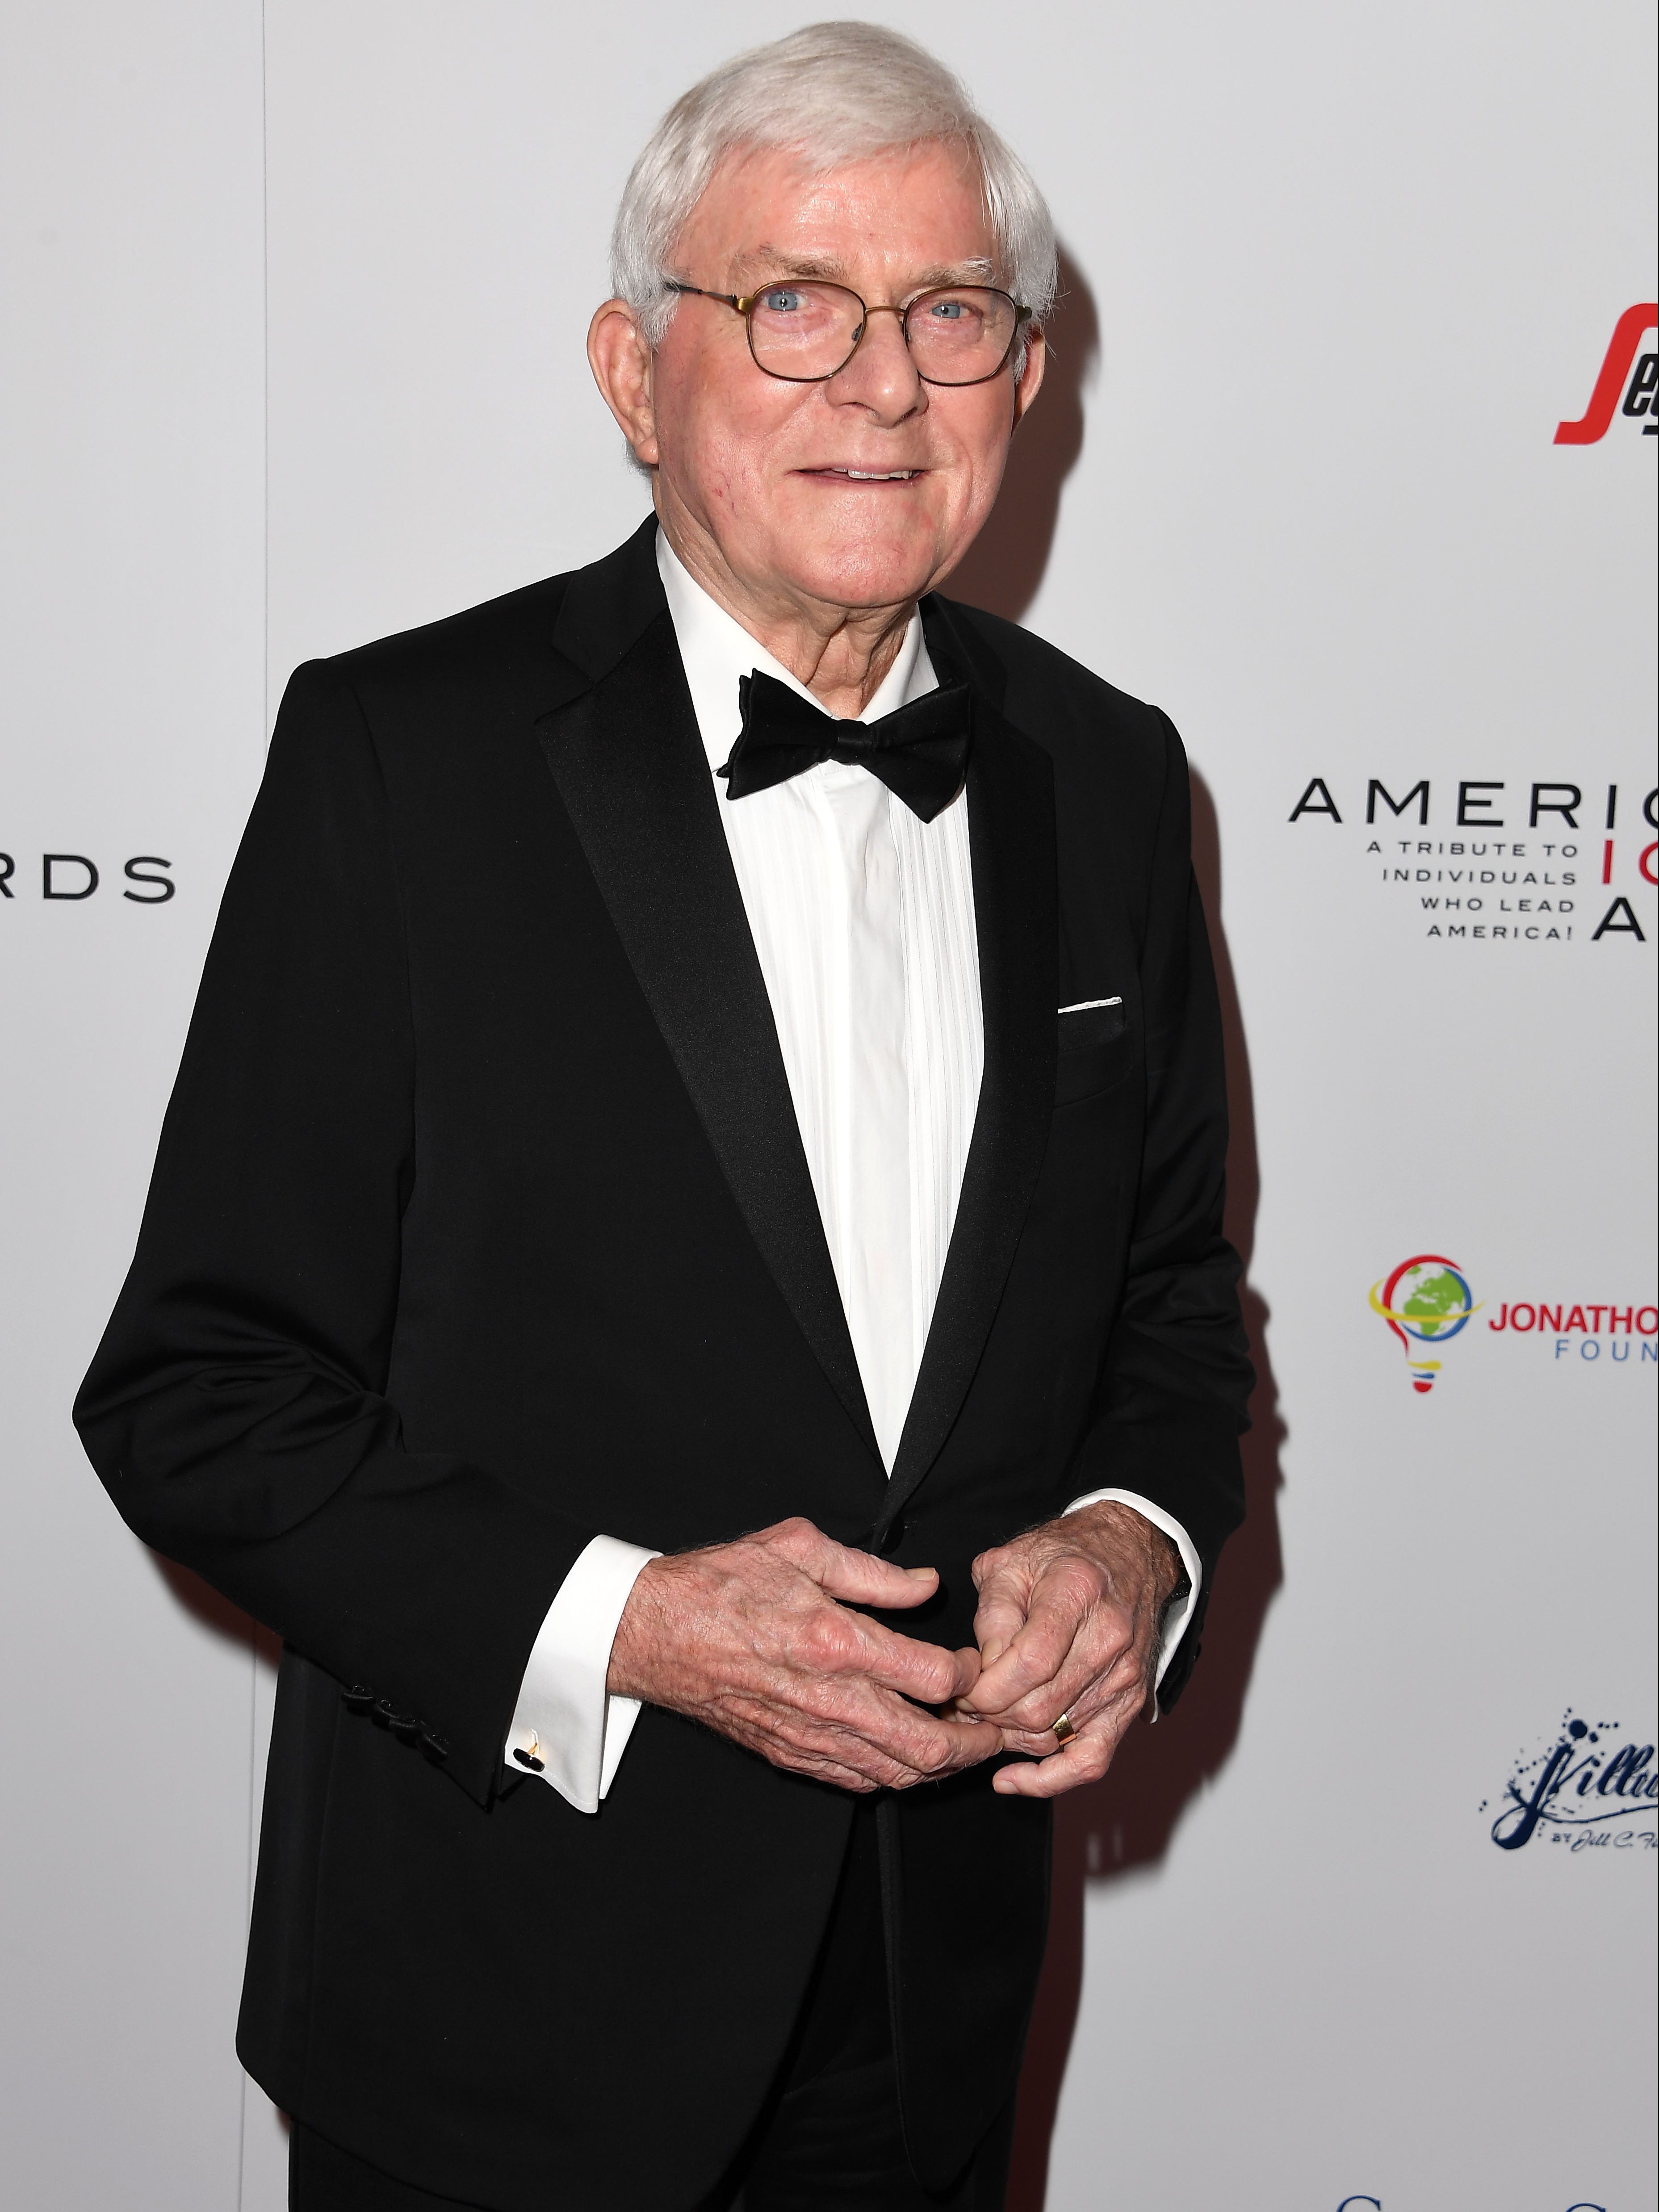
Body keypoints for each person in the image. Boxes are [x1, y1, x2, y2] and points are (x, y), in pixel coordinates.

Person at [75, 23, 1251, 2212]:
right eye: (791, 302)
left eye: (952, 314)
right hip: (504, 2004)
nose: (882, 384)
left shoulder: (1105, 775)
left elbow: (1171, 1289)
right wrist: (627, 1619)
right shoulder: (400, 761)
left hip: (930, 2008)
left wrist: (1132, 1538)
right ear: (634, 375)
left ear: (1020, 375)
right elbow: (197, 1390)